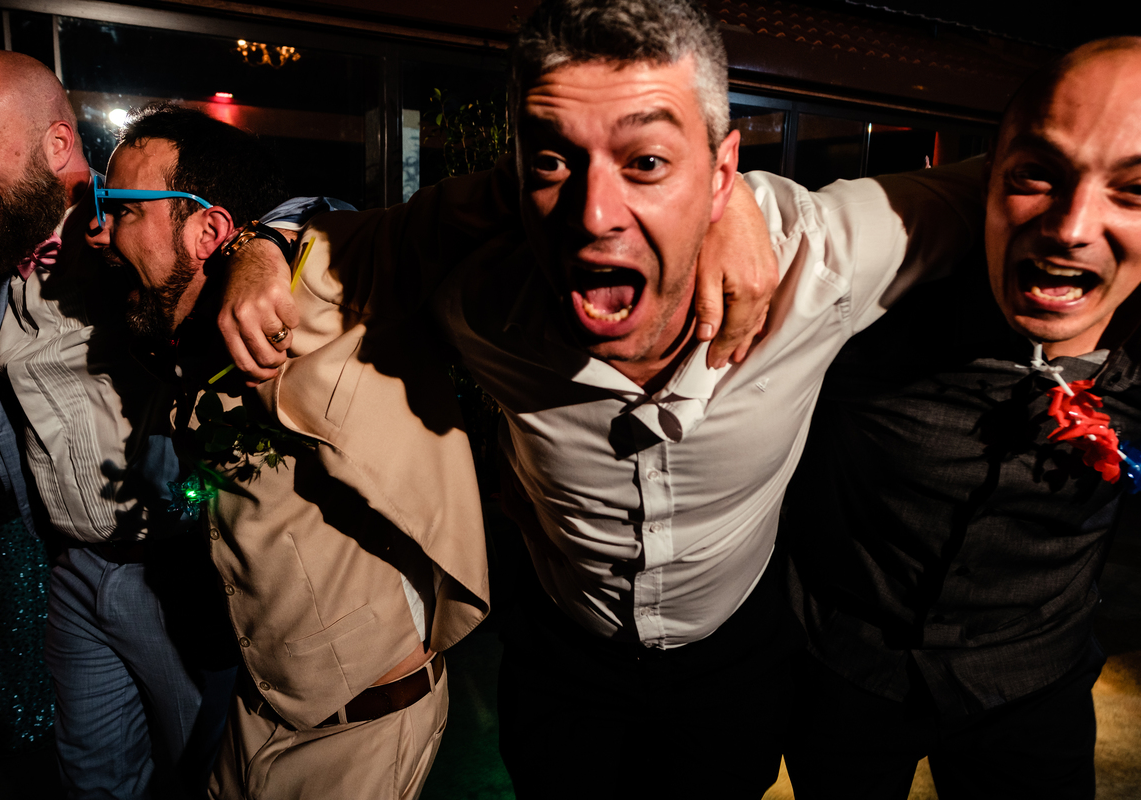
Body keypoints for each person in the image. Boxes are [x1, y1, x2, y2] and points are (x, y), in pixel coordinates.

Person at [216, 1, 983, 796]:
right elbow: (341, 239)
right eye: (552, 163)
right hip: (561, 665)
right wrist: (258, 244)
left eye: (647, 162)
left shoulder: (817, 265)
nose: (594, 216)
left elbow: (1003, 181)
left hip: (733, 664)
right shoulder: (478, 298)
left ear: (721, 173)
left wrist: (744, 204)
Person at [87, 103, 495, 800]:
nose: (98, 230)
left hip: (362, 731)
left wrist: (269, 241)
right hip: (257, 717)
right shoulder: (187, 341)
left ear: (208, 228)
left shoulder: (316, 288)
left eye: (121, 208)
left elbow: (443, 214)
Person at [780, 37, 1141, 800]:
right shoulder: (868, 319)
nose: (1072, 227)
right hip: (845, 677)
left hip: (1033, 686)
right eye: (1036, 174)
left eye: (1135, 190)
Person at [0, 51, 236, 798]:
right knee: (95, 781)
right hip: (71, 572)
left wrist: (265, 253)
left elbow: (306, 213)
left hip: (176, 573)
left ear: (58, 146)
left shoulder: (140, 231)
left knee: (214, 777)